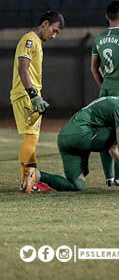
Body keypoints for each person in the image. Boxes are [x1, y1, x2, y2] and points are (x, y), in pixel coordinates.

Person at [32, 97, 119, 191]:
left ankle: (36, 175)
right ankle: (116, 179)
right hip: (80, 134)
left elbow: (114, 149)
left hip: (65, 138)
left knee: (77, 185)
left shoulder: (116, 103)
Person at [11, 11, 64, 193]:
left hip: (28, 94)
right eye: (54, 30)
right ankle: (29, 182)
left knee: (31, 137)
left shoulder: (36, 42)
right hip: (26, 95)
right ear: (45, 24)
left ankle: (27, 180)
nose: (54, 35)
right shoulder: (30, 39)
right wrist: (33, 94)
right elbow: (23, 68)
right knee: (31, 137)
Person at [89, 0, 119, 187]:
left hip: (105, 89)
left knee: (106, 136)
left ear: (107, 17)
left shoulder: (99, 38)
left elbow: (93, 68)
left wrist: (104, 83)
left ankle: (109, 178)